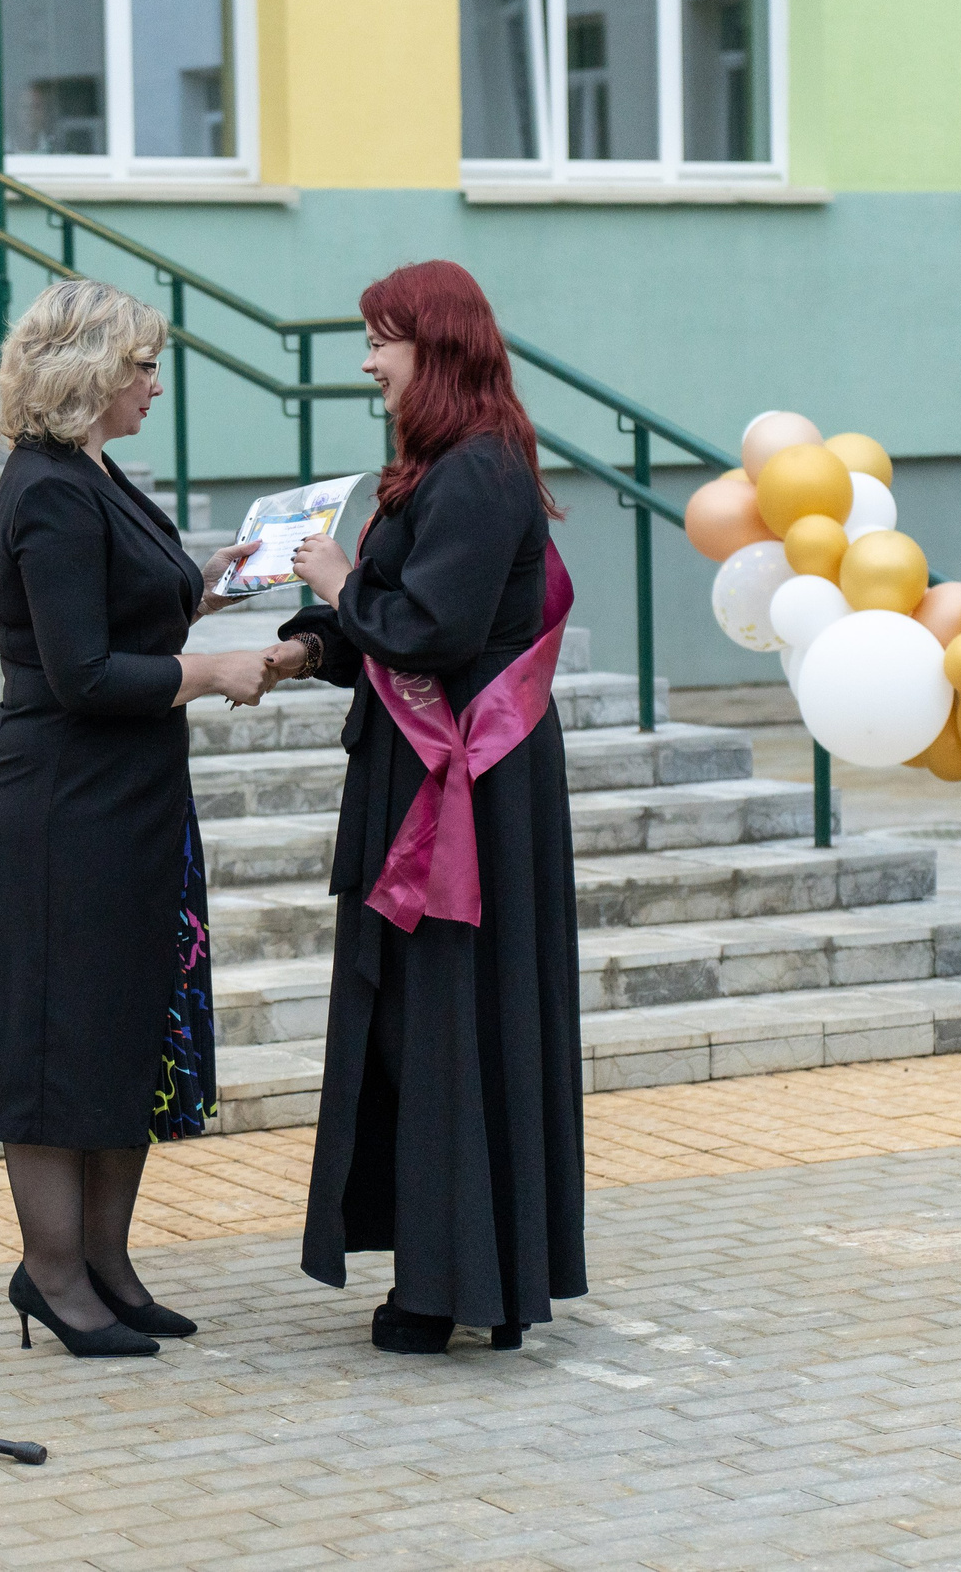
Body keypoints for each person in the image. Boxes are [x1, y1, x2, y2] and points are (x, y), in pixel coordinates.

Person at [259, 260, 586, 1354]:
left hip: (465, 799)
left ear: (435, 346)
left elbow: (429, 631)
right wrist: (306, 648)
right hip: (435, 785)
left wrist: (341, 580)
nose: (365, 361)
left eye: (381, 340)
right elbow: (388, 637)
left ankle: (454, 1285)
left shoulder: (478, 470)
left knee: (450, 1023)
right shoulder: (443, 466)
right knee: (430, 1024)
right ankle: (459, 1269)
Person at [0, 279, 271, 1358]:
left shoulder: (93, 472)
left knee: (129, 1029)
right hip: (59, 806)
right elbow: (81, 671)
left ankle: (107, 1263)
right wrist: (210, 667)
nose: (154, 382)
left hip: (130, 803)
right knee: (59, 1039)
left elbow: (117, 602)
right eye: (140, 364)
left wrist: (208, 585)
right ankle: (50, 1273)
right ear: (84, 371)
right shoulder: (43, 488)